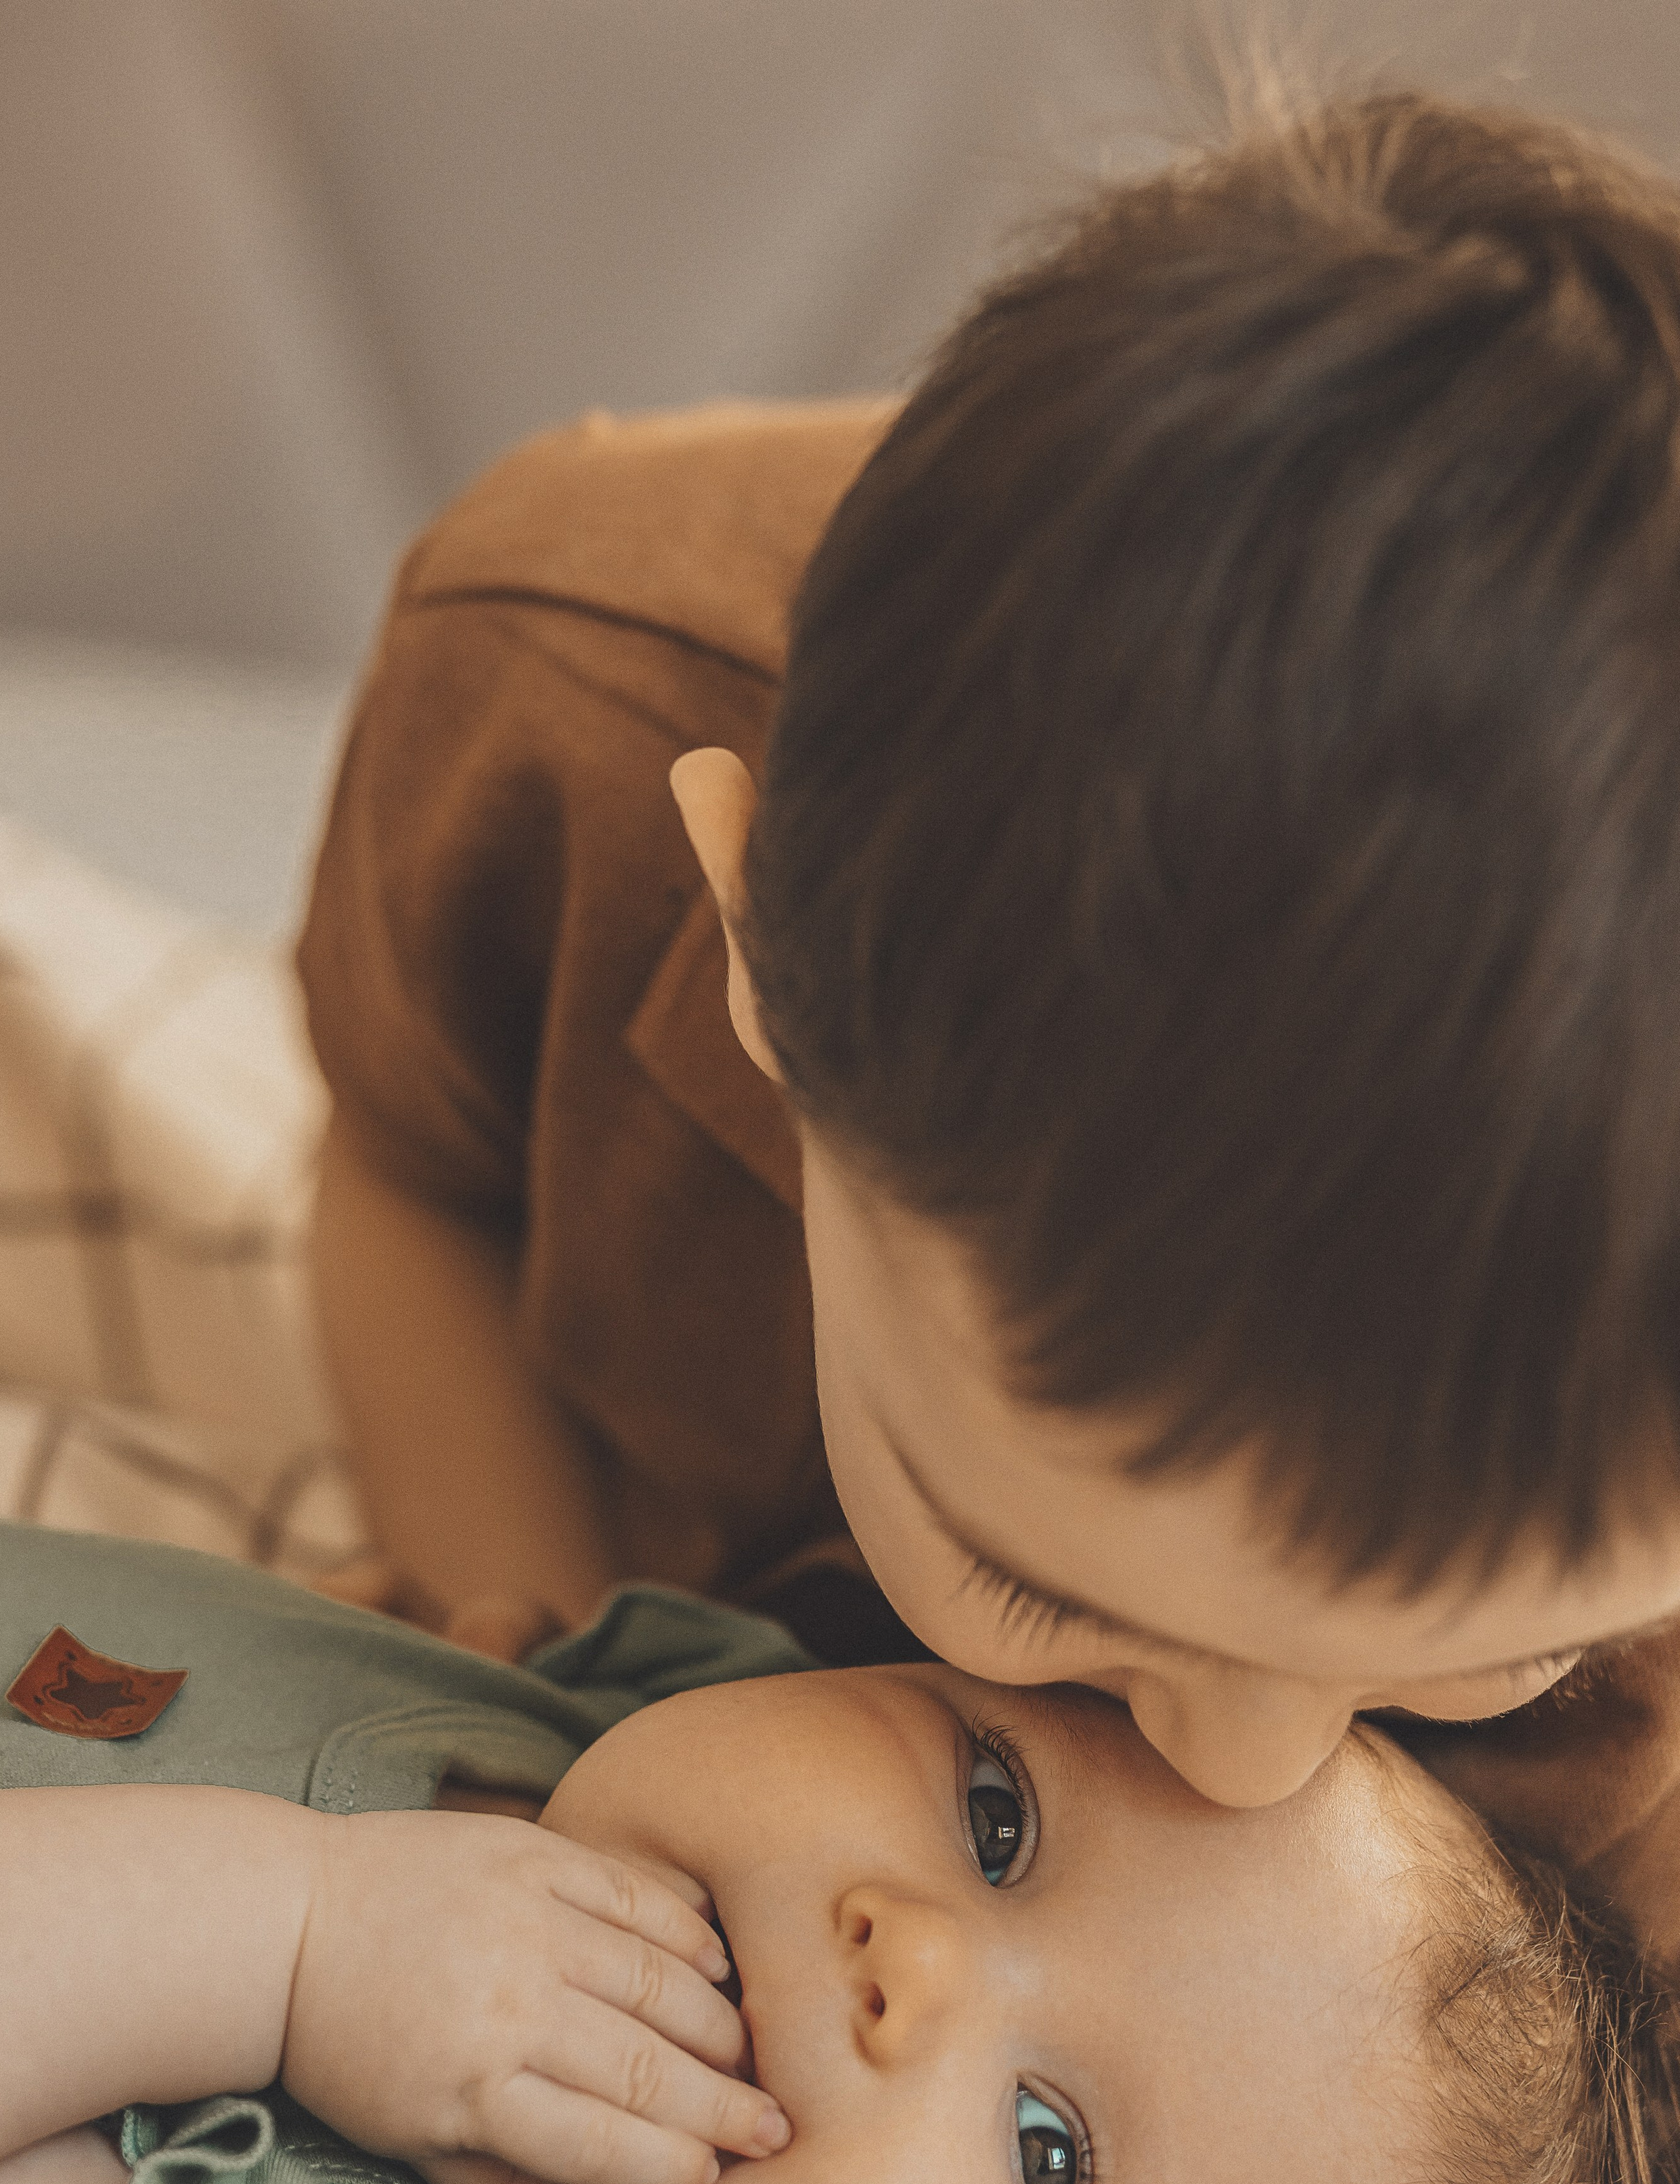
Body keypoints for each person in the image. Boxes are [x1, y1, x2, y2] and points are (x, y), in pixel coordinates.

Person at [299, 87, 1680, 1968]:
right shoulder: (551, 711)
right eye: (1033, 1584)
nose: (1251, 1769)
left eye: (1507, 1662)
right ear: (755, 944)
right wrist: (530, 1646)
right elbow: (408, 1162)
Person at [0, 1513, 1672, 2184]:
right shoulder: (618, 1718)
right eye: (993, 1817)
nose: (907, 1961)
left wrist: (298, 1939)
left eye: (1046, 2160)